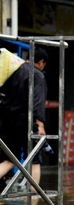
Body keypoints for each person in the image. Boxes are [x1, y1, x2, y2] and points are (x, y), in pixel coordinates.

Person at [0, 48, 48, 184]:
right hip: (26, 122)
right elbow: (38, 102)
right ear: (41, 62)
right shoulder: (37, 75)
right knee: (34, 160)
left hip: (8, 121)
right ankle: (34, 203)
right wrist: (40, 125)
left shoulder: (12, 72)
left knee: (9, 160)